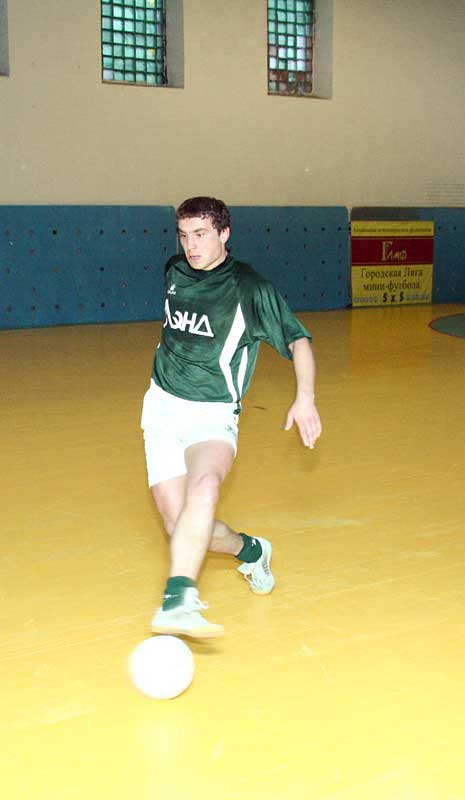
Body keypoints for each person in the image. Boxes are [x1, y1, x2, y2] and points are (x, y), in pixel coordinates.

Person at [142, 197, 321, 638]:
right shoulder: (174, 271)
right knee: (182, 528)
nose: (190, 245)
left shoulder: (249, 287)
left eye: (201, 234)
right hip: (161, 408)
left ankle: (178, 600)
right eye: (184, 235)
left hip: (212, 413)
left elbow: (298, 340)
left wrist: (305, 398)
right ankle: (251, 551)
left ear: (224, 233)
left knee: (205, 486)